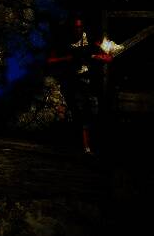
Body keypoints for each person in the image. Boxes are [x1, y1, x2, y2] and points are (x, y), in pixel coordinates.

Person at [46, 15, 112, 155]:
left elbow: (106, 56)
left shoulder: (90, 40)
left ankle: (89, 147)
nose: (78, 30)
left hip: (90, 82)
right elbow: (50, 60)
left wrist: (98, 56)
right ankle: (83, 147)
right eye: (76, 27)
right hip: (72, 82)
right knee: (79, 113)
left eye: (80, 27)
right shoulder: (65, 42)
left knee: (91, 113)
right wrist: (67, 59)